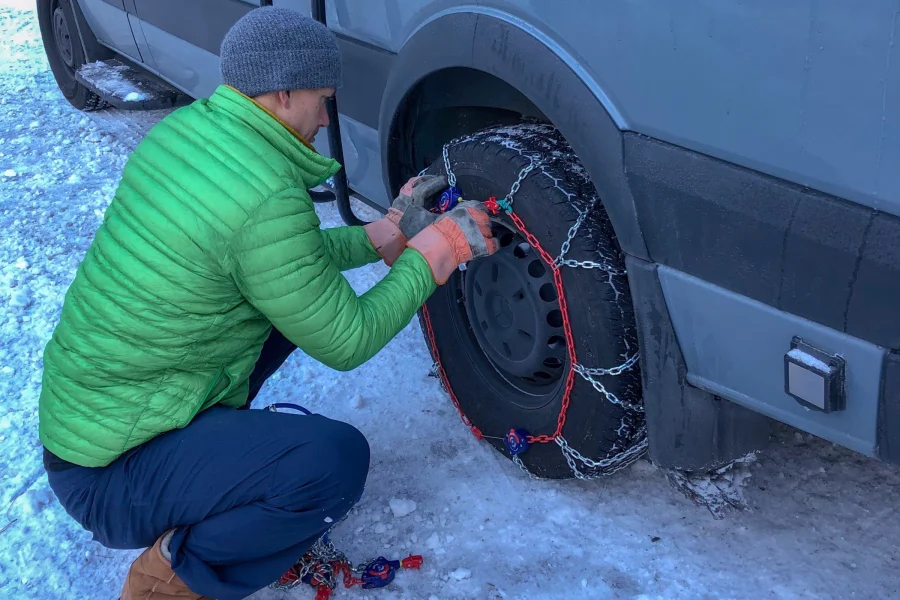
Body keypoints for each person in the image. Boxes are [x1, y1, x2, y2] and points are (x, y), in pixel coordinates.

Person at [37, 7, 497, 600]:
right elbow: (348, 340)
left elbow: (274, 256)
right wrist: (436, 254)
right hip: (111, 473)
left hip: (90, 428)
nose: (325, 119)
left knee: (282, 314)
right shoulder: (265, 193)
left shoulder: (188, 134)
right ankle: (169, 576)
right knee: (330, 464)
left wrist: (384, 235)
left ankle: (213, 482)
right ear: (283, 92)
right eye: (322, 99)